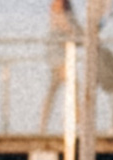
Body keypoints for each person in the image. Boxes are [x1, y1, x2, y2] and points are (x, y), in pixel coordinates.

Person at [36, 0, 76, 134]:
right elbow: (64, 25)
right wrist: (78, 33)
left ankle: (43, 124)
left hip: (62, 51)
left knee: (54, 89)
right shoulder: (58, 4)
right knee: (73, 85)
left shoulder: (66, 5)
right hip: (57, 51)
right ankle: (77, 121)